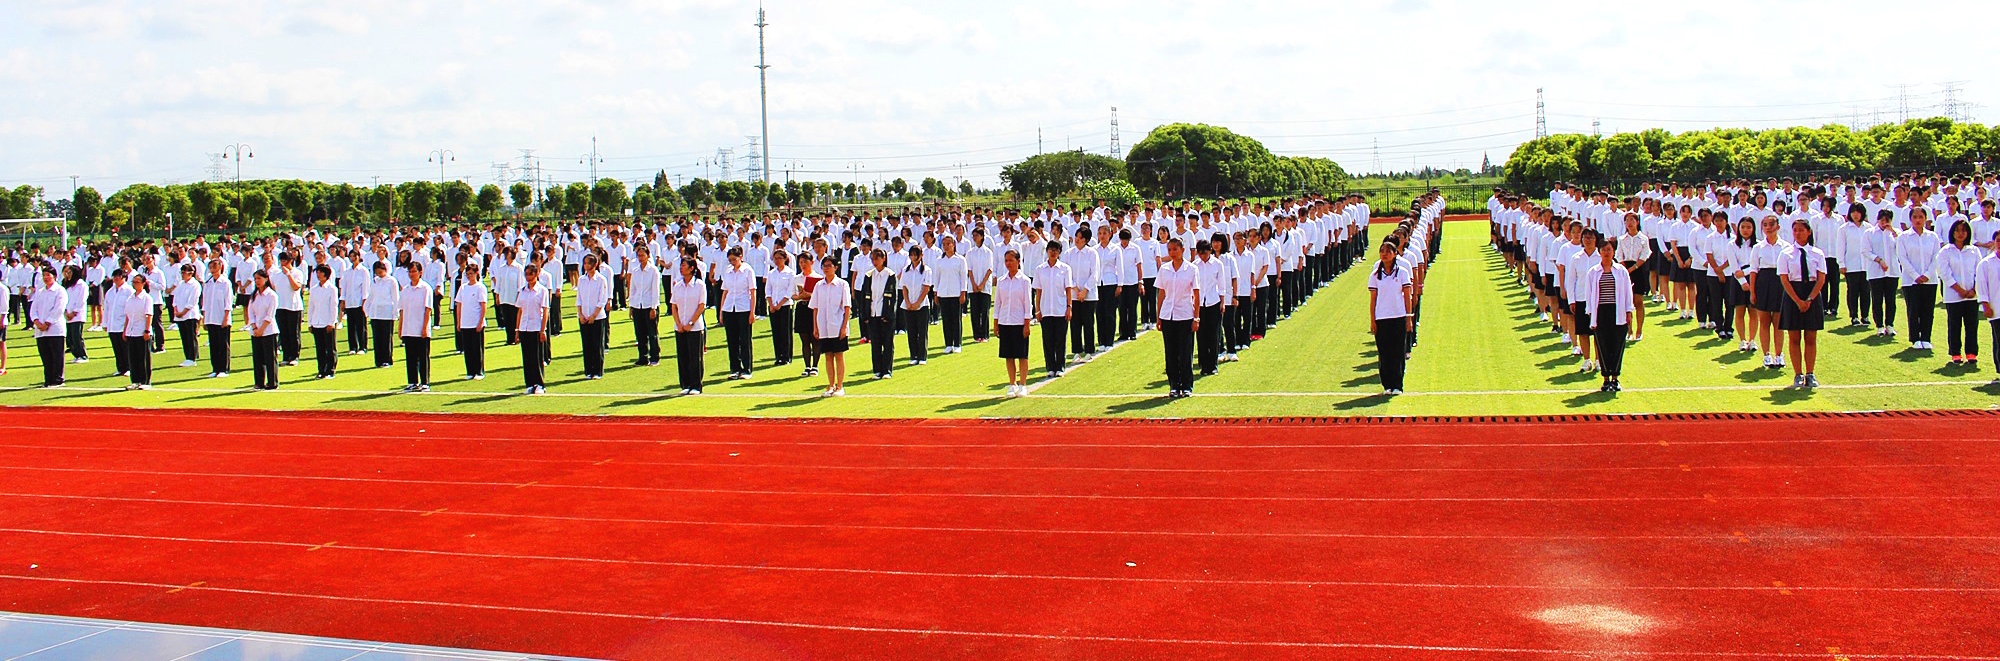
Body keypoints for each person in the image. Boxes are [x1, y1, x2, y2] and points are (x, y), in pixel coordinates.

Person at [1779, 219, 1827, 389]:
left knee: (1811, 337)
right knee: (1794, 337)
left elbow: (1821, 279)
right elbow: (1784, 279)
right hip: (1793, 294)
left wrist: (1809, 300)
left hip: (1811, 294)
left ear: (1809, 232)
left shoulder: (1817, 253)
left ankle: (1810, 373)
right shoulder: (1786, 253)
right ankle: (1798, 373)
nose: (1798, 233)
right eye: (1795, 230)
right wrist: (1798, 301)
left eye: (1801, 230)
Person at [1585, 238, 1632, 393]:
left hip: (1618, 311)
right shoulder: (1593, 272)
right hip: (1600, 312)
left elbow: (1628, 293)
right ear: (1599, 252)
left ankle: (1615, 378)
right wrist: (1590, 314)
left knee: (1617, 344)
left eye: (1609, 250)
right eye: (1603, 250)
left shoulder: (1621, 271)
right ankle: (1606, 378)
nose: (1606, 252)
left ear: (1613, 252)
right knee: (1603, 345)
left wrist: (1628, 311)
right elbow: (1589, 294)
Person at [1154, 238, 1199, 398]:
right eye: (1170, 250)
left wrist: (1196, 317)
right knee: (1171, 352)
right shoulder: (1164, 269)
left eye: (1175, 249)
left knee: (1185, 351)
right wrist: (1159, 316)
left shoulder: (1191, 269)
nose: (1172, 253)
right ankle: (1174, 385)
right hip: (1168, 314)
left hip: (1185, 314)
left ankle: (1187, 385)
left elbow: (1196, 294)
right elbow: (1161, 293)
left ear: (1182, 250)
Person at [1366, 241, 1412, 395]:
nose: (1384, 254)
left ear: (1395, 254)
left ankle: (1397, 385)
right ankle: (1387, 385)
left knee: (1398, 351)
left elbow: (1407, 296)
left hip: (1398, 316)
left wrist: (1408, 317)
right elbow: (1373, 300)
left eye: (1388, 251)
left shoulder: (1402, 272)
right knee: (1384, 352)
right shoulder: (1375, 275)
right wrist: (1373, 320)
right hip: (1382, 318)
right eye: (1382, 251)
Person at [1897, 208, 1942, 351]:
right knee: (1913, 310)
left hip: (1930, 280)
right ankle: (1915, 338)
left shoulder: (1932, 237)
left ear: (1925, 218)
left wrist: (1927, 274)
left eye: (1921, 217)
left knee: (1928, 310)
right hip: (1911, 281)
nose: (1918, 220)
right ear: (1910, 219)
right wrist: (1915, 275)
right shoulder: (1903, 237)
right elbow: (1902, 258)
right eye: (1915, 217)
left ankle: (1926, 338)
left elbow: (1936, 257)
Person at [1938, 220, 1982, 367]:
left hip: (1972, 296)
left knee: (1972, 325)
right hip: (1953, 296)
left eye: (1963, 230)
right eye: (1957, 230)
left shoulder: (1974, 251)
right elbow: (1944, 273)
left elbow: (1979, 272)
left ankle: (1971, 353)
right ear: (1952, 232)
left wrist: (1974, 289)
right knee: (1954, 325)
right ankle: (1955, 353)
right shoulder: (1946, 251)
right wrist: (1959, 290)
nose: (1960, 233)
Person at [993, 248, 1033, 397]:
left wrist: (1027, 323)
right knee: (1008, 355)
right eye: (1006, 261)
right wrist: (996, 323)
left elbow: (1028, 303)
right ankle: (1012, 384)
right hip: (1005, 321)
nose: (1008, 263)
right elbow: (998, 303)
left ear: (1018, 261)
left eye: (1011, 260)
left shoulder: (1025, 281)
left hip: (1019, 322)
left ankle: (1023, 384)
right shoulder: (1001, 281)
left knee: (1022, 355)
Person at [810, 255, 851, 396]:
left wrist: (844, 327)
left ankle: (840, 386)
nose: (826, 268)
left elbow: (847, 307)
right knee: (828, 355)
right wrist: (815, 327)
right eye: (824, 266)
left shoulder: (842, 284)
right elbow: (815, 307)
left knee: (838, 355)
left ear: (836, 267)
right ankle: (831, 385)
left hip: (837, 325)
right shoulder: (818, 285)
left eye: (829, 266)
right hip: (823, 326)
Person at [1032, 240, 1074, 379]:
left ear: (1059, 252)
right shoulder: (1040, 269)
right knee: (1048, 340)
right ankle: (1050, 367)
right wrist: (1037, 310)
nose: (1053, 252)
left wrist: (1069, 307)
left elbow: (1068, 290)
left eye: (1056, 250)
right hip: (1046, 310)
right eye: (1051, 249)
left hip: (1060, 309)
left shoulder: (1065, 269)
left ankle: (1060, 367)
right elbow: (1038, 291)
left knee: (1060, 340)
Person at [669, 257, 708, 395]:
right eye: (681, 265)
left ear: (692, 268)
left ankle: (696, 385)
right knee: (683, 356)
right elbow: (674, 306)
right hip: (680, 327)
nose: (681, 268)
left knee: (695, 357)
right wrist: (679, 323)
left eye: (684, 265)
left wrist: (691, 323)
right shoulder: (678, 285)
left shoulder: (699, 285)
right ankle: (685, 384)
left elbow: (701, 305)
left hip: (695, 327)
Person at [717, 247, 757, 379]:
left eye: (734, 259)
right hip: (729, 308)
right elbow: (725, 292)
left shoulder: (748, 270)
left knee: (744, 340)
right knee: (732, 340)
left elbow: (753, 291)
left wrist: (752, 312)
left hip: (743, 308)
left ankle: (747, 369)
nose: (732, 262)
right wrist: (721, 311)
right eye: (730, 260)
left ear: (740, 257)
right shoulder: (728, 271)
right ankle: (735, 368)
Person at [858, 249, 898, 379]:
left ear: (883, 259)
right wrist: (865, 314)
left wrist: (889, 314)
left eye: (877, 258)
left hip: (885, 314)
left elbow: (893, 297)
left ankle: (887, 370)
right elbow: (864, 296)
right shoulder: (869, 275)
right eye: (873, 259)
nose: (874, 262)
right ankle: (877, 370)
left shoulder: (890, 275)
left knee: (887, 343)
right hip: (873, 313)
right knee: (875, 343)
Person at [397, 261, 433, 392]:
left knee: (423, 357)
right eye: (410, 272)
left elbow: (428, 309)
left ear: (420, 272)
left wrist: (424, 328)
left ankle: (425, 382)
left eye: (414, 271)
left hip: (421, 328)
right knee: (410, 357)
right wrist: (400, 328)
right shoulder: (406, 290)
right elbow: (402, 310)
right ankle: (412, 382)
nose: (412, 274)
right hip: (408, 328)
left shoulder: (425, 288)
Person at [575, 253, 611, 380]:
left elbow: (602, 300)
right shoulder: (581, 280)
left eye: (588, 263)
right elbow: (579, 298)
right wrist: (580, 314)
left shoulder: (601, 279)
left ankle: (597, 371)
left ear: (595, 264)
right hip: (584, 316)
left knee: (597, 344)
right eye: (584, 263)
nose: (586, 266)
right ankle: (588, 370)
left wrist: (594, 315)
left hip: (598, 317)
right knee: (587, 344)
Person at [516, 262, 550, 395]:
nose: (528, 277)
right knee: (527, 358)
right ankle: (529, 383)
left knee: (537, 358)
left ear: (536, 274)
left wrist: (543, 330)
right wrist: (517, 330)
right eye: (526, 274)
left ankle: (540, 384)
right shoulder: (522, 290)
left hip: (536, 327)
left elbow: (545, 311)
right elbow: (520, 310)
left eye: (531, 274)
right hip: (524, 327)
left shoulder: (542, 290)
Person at [627, 244, 663, 367]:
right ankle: (643, 357)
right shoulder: (635, 271)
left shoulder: (653, 271)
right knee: (640, 333)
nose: (641, 258)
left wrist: (653, 307)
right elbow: (633, 290)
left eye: (643, 255)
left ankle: (654, 357)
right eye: (639, 256)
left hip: (649, 305)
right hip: (638, 305)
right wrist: (631, 306)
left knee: (652, 333)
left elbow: (655, 291)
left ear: (648, 256)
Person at [30, 267, 66, 386]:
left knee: (57, 355)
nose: (45, 278)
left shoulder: (60, 291)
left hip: (55, 329)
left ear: (54, 276)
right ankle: (48, 379)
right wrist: (37, 322)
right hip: (40, 330)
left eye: (48, 275)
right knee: (45, 355)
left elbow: (58, 309)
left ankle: (58, 379)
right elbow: (33, 309)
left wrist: (47, 323)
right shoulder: (40, 292)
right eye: (44, 275)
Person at [934, 235, 969, 353]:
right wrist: (936, 293)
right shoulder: (939, 260)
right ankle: (948, 344)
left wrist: (963, 292)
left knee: (956, 319)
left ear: (953, 245)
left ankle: (957, 343)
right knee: (946, 319)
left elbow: (963, 277)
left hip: (956, 293)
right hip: (943, 293)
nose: (946, 246)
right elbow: (936, 278)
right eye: (944, 244)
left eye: (948, 244)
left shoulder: (960, 260)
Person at [899, 245, 933, 366]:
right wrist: (908, 302)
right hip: (908, 305)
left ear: (921, 255)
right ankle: (913, 355)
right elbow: (904, 287)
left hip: (922, 305)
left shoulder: (926, 270)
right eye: (912, 255)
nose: (913, 257)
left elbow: (926, 288)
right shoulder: (905, 270)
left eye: (916, 254)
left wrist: (917, 303)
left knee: (922, 331)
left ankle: (922, 356)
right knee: (911, 331)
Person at [246, 269, 280, 391]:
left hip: (269, 331)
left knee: (270, 357)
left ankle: (272, 382)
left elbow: (270, 315)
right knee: (258, 358)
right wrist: (255, 327)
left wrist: (261, 329)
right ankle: (259, 382)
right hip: (255, 331)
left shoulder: (272, 295)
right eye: (255, 279)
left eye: (259, 278)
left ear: (266, 279)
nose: (257, 281)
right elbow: (251, 313)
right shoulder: (254, 296)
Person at [454, 261, 488, 380]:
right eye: (467, 274)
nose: (469, 276)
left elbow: (483, 305)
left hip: (476, 322)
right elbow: (459, 305)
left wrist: (480, 321)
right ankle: (470, 371)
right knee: (468, 348)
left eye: (471, 273)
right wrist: (459, 322)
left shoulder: (480, 287)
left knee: (477, 348)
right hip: (465, 322)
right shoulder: (463, 287)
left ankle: (479, 371)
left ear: (476, 273)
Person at [306, 264, 340, 379]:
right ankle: (321, 370)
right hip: (316, 322)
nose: (318, 274)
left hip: (327, 322)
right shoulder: (314, 289)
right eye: (317, 272)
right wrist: (310, 323)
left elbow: (333, 307)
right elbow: (311, 306)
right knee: (320, 348)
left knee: (330, 348)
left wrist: (332, 322)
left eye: (320, 272)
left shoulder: (332, 289)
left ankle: (330, 370)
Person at [365, 261, 400, 368]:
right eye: (376, 272)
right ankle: (378, 360)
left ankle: (387, 359)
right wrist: (366, 309)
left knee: (386, 338)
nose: (379, 274)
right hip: (375, 313)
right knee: (377, 338)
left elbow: (395, 298)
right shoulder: (375, 281)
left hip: (387, 313)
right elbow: (371, 296)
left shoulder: (391, 281)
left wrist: (395, 313)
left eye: (380, 271)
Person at [201, 259, 233, 377]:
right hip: (210, 317)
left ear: (220, 267)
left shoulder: (225, 283)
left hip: (221, 318)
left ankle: (224, 369)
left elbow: (228, 302)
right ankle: (215, 368)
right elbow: (205, 302)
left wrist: (226, 318)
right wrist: (205, 318)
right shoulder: (208, 283)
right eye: (211, 267)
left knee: (223, 344)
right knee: (213, 344)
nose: (213, 270)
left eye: (215, 267)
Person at [122, 275, 154, 390]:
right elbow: (128, 316)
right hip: (131, 331)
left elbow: (149, 315)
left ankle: (145, 381)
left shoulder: (147, 298)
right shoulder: (130, 298)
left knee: (143, 358)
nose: (135, 284)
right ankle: (135, 380)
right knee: (133, 358)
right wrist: (125, 330)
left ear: (143, 283)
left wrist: (147, 330)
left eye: (137, 282)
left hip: (142, 331)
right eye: (134, 282)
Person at [766, 250, 796, 366]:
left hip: (785, 305)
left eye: (779, 258)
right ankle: (778, 356)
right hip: (773, 305)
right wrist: (771, 304)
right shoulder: (771, 273)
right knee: (776, 331)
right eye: (775, 258)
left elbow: (789, 291)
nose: (777, 261)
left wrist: (780, 304)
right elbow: (768, 289)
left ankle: (786, 356)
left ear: (785, 259)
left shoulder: (790, 273)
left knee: (785, 331)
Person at [169, 264, 203, 368]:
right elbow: (175, 298)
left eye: (184, 272)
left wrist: (183, 312)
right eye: (182, 272)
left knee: (191, 336)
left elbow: (192, 301)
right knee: (184, 337)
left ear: (191, 273)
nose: (183, 275)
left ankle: (192, 358)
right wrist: (176, 310)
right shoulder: (181, 284)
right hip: (179, 315)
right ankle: (187, 356)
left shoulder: (195, 285)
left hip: (190, 315)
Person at [102, 269, 131, 377]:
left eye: (118, 276)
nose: (116, 279)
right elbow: (107, 308)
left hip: (123, 324)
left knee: (125, 348)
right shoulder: (110, 292)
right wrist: (105, 323)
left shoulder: (128, 291)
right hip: (112, 324)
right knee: (117, 348)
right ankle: (120, 368)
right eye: (114, 277)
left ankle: (128, 368)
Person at [61, 265, 88, 363]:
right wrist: (66, 311)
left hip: (77, 315)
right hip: (68, 314)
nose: (67, 275)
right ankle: (76, 355)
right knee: (70, 337)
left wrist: (74, 312)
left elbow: (82, 300)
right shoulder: (68, 285)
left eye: (69, 273)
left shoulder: (82, 285)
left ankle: (82, 355)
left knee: (76, 336)